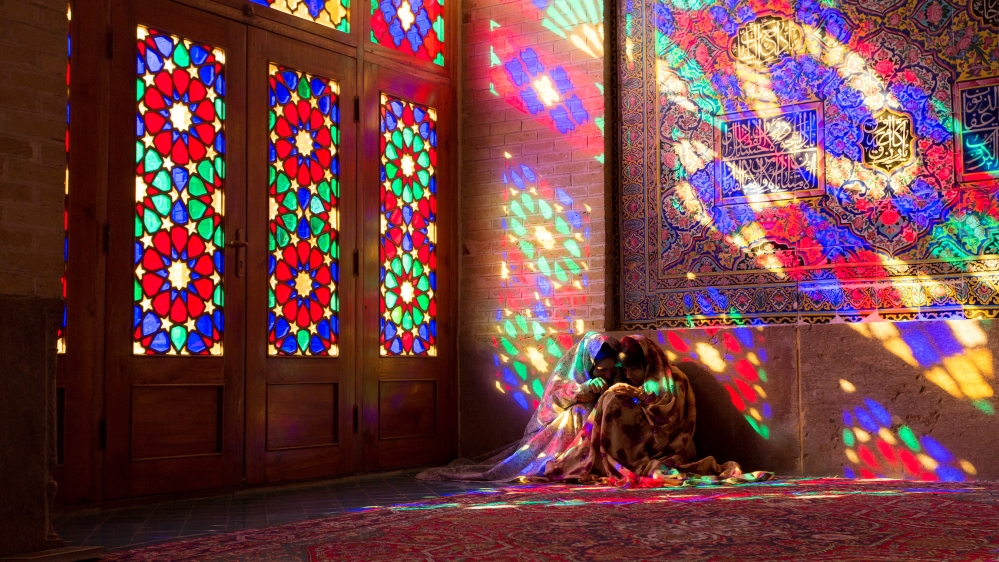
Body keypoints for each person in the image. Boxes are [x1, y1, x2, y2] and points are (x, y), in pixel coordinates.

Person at [543, 334, 773, 487]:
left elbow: (670, 419)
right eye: (626, 370)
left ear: (648, 363)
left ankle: (619, 461)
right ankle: (606, 459)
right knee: (610, 398)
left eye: (635, 369)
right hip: (639, 440)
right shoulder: (631, 381)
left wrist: (639, 397)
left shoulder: (674, 380)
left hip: (666, 442)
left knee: (612, 398)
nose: (630, 375)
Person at [417, 332, 622, 482]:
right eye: (602, 370)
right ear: (588, 364)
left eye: (612, 370)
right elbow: (546, 412)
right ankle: (563, 462)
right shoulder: (570, 375)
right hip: (553, 437)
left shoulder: (615, 379)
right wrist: (580, 391)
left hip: (594, 443)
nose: (607, 376)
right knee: (578, 412)